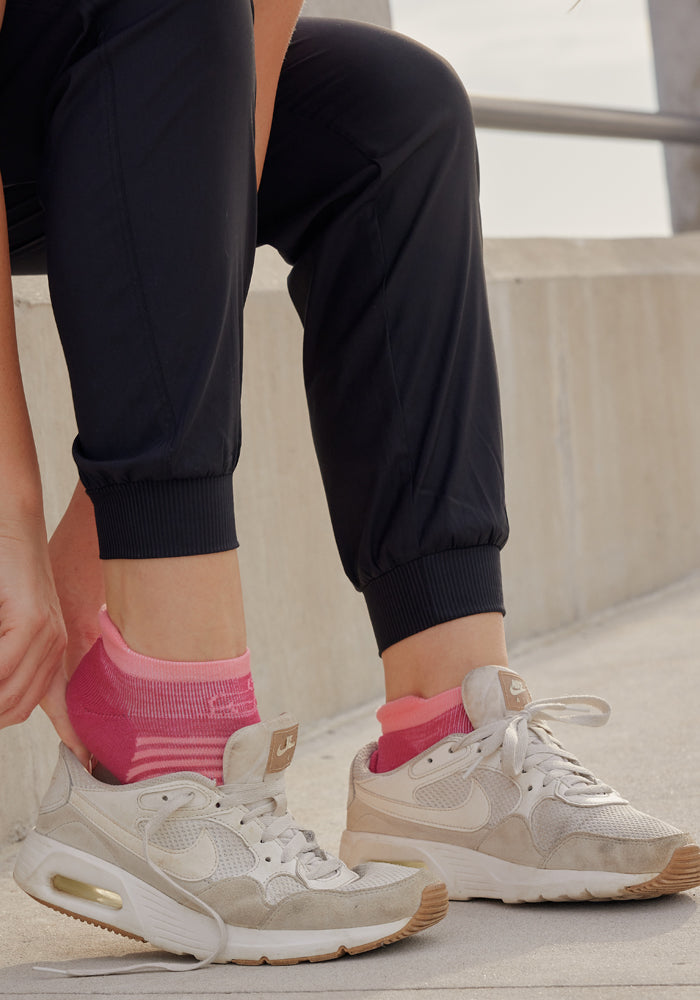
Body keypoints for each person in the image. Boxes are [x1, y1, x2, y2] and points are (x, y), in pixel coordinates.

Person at [2, 0, 699, 975]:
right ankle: (166, 763)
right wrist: (12, 506)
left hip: (90, 93)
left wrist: (108, 509)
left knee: (395, 110)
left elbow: (214, 150)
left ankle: (442, 742)